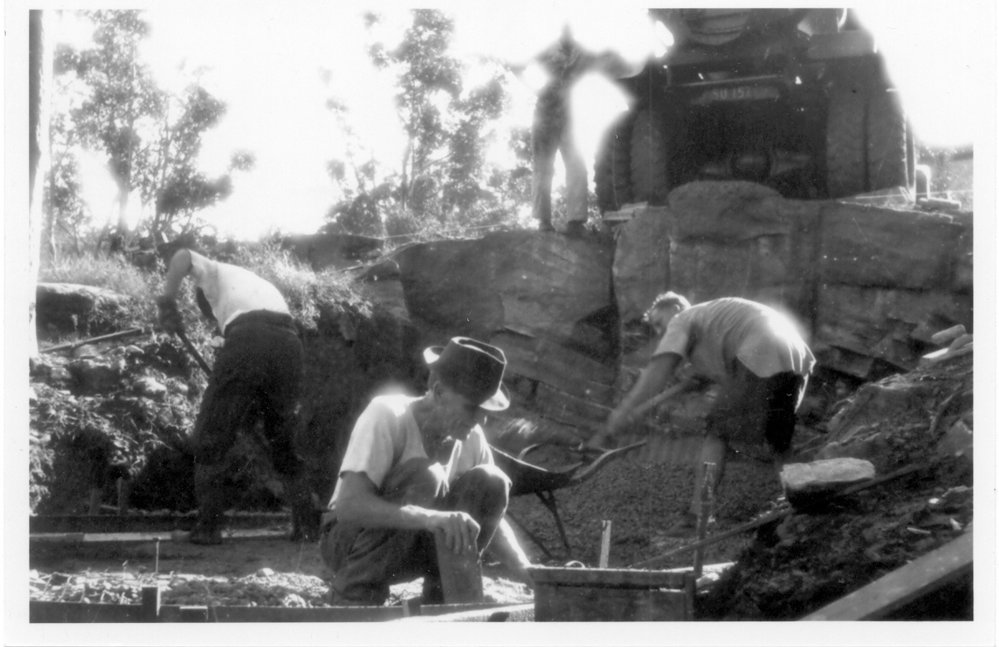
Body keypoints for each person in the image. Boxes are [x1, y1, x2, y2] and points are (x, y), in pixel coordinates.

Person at [319, 336, 533, 606]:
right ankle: (354, 597)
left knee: (492, 481)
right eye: (472, 407)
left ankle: (445, 602)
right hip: (349, 542)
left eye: (485, 411)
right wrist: (429, 517)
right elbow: (349, 507)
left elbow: (489, 515)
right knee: (425, 476)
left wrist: (525, 568)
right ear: (439, 391)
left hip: (407, 546)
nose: (480, 419)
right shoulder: (388, 415)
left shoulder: (472, 435)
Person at [588, 293, 815, 534]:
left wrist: (622, 412)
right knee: (778, 441)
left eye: (658, 322)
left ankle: (698, 516)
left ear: (676, 307)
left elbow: (658, 371)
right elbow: (704, 379)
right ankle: (802, 503)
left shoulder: (683, 318)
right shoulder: (711, 323)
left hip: (762, 346)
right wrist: (689, 383)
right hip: (796, 356)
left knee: (716, 434)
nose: (659, 331)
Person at [156, 248, 315, 544]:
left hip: (248, 338)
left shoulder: (214, 273)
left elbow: (181, 255)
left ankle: (208, 529)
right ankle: (307, 527)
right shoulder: (254, 285)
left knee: (210, 436)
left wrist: (167, 304)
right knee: (282, 437)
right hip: (289, 343)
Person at [531, 26, 645, 235]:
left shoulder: (583, 53)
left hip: (569, 117)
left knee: (577, 167)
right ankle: (543, 220)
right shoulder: (544, 49)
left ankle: (575, 222)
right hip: (545, 117)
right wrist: (536, 86)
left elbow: (613, 65)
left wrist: (638, 60)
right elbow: (522, 67)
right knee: (543, 167)